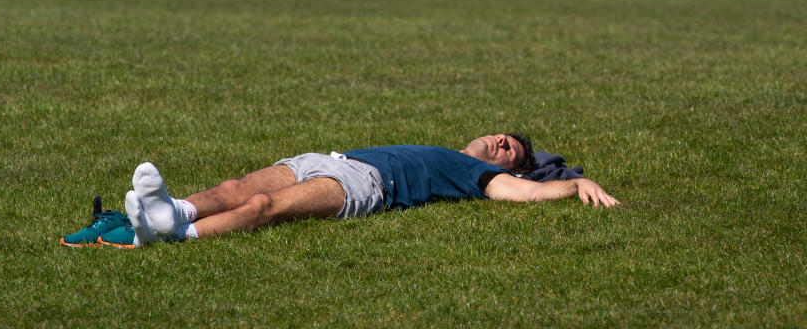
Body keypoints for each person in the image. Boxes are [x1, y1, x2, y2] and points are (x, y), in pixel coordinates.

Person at [61, 133, 619, 248]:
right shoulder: (453, 149)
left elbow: (526, 194)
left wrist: (575, 185)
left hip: (370, 185)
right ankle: (173, 210)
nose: (502, 141)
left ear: (513, 168)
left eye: (512, 149)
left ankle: (173, 231)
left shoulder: (481, 178)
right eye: (502, 134)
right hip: (326, 158)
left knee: (262, 208)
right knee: (234, 186)